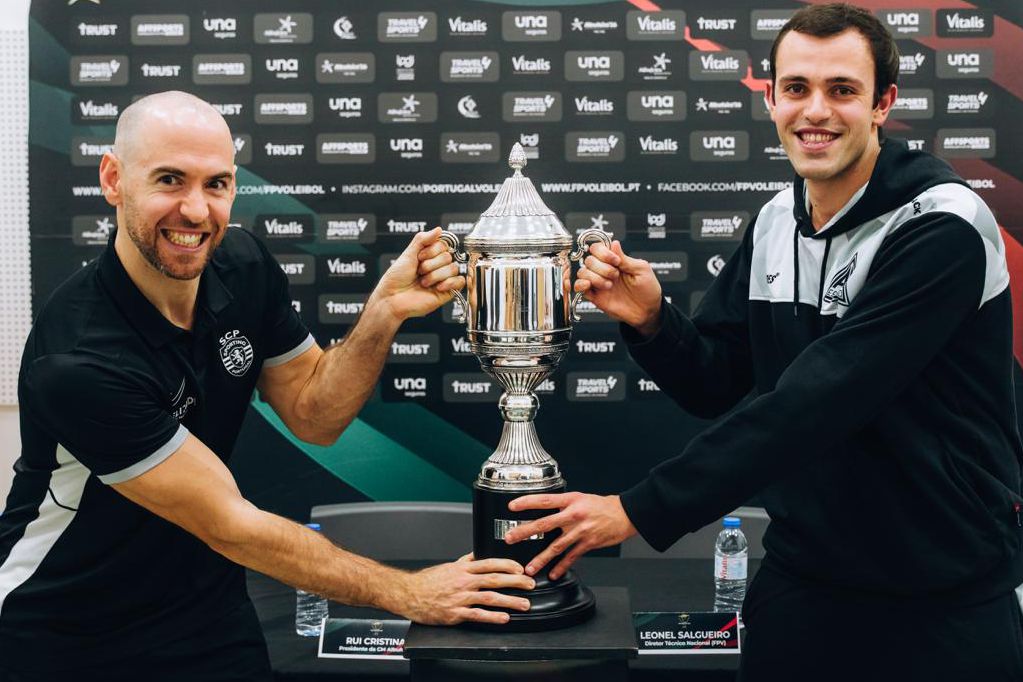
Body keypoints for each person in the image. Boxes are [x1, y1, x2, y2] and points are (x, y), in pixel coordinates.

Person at [504, 4, 1023, 679]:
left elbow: (818, 400)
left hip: (943, 596)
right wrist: (653, 322)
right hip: (804, 580)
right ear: (770, 98)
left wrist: (639, 508)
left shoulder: (941, 224)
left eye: (841, 90)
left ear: (881, 104)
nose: (816, 111)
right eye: (797, 88)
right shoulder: (778, 217)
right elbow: (717, 385)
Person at [0, 91, 533, 681]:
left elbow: (314, 414)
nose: (197, 212)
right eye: (170, 180)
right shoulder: (80, 361)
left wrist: (382, 312)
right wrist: (409, 592)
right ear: (113, 179)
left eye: (217, 183)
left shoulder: (242, 264)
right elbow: (231, 524)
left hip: (207, 609)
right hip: (66, 628)